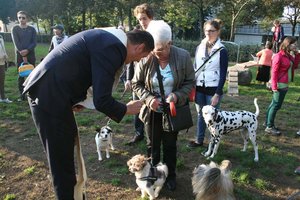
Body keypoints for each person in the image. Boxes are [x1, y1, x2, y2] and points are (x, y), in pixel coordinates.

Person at [22, 28, 154, 199]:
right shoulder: (113, 48)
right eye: (141, 57)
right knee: (61, 163)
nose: (136, 61)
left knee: (66, 155)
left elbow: (80, 70)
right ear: (139, 47)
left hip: (54, 95)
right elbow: (102, 99)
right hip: (49, 97)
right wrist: (127, 109)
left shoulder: (107, 39)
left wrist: (78, 100)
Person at [132, 20, 194, 191]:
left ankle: (170, 176)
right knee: (152, 145)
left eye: (160, 50)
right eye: (153, 49)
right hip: (152, 111)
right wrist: (149, 98)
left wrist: (177, 95)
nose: (155, 53)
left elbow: (190, 82)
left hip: (172, 111)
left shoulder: (183, 56)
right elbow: (136, 84)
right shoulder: (147, 57)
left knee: (170, 146)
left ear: (170, 44)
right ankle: (150, 176)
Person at [188, 19, 228, 148]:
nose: (209, 33)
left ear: (218, 32)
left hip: (213, 88)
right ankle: (199, 140)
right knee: (201, 115)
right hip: (199, 86)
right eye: (207, 30)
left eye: (212, 31)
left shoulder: (222, 50)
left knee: (214, 117)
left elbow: (223, 73)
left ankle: (213, 142)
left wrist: (218, 93)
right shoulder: (199, 47)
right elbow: (195, 67)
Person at [126, 3, 154, 145]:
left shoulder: (156, 33)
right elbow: (130, 59)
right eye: (139, 19)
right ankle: (138, 133)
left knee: (150, 104)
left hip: (151, 77)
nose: (142, 22)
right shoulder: (135, 34)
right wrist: (128, 78)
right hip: (136, 78)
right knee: (136, 105)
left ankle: (153, 132)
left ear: (150, 18)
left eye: (144, 18)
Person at [265, 36, 300, 135]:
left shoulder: (288, 56)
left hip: (284, 83)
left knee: (274, 104)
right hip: (279, 84)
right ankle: (269, 127)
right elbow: (274, 72)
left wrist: (297, 54)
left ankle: (267, 123)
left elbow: (295, 65)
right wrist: (274, 87)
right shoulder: (279, 56)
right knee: (276, 105)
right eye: (294, 44)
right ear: (288, 44)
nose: (296, 46)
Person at [11, 11, 37, 101]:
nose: (21, 19)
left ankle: (32, 94)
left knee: (33, 74)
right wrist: (22, 53)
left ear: (27, 18)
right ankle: (22, 96)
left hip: (31, 55)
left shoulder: (32, 29)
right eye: (19, 17)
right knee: (21, 75)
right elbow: (16, 42)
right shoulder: (15, 29)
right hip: (19, 55)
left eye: (23, 17)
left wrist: (27, 50)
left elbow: (34, 42)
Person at [0, 35, 12, 103]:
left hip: (2, 62)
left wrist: (5, 55)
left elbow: (3, 49)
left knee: (2, 81)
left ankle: (3, 98)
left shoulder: (1, 37)